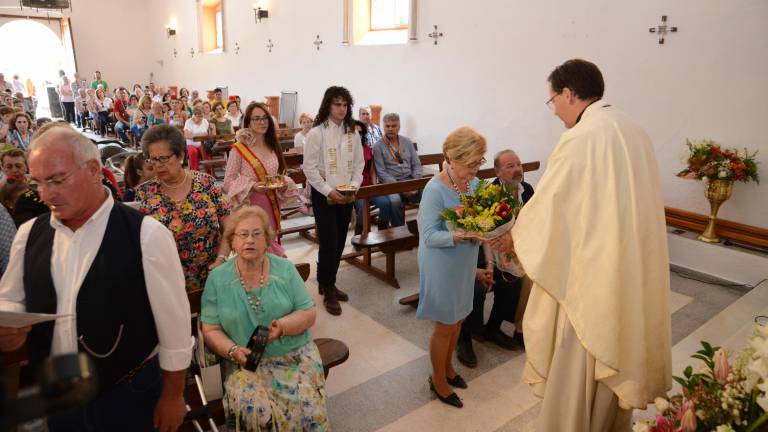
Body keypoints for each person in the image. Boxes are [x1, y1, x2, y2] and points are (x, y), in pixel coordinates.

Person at [491, 59, 671, 430]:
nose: (554, 109)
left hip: (592, 272)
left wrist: (515, 237)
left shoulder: (581, 137)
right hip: (628, 262)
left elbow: (551, 204)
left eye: (553, 100)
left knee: (585, 352)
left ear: (569, 94)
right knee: (620, 339)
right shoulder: (634, 130)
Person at [0, 122, 192, 431]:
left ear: (92, 169)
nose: (46, 193)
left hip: (128, 392)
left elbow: (175, 328)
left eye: (56, 180)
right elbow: (9, 299)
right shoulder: (29, 233)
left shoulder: (146, 235)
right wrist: (9, 327)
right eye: (37, 183)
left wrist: (172, 396)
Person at [201, 206, 329, 430]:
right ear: (232, 240)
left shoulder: (285, 269)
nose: (249, 240)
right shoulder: (217, 279)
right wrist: (232, 351)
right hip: (243, 363)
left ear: (267, 239)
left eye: (256, 234)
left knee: (306, 412)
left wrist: (282, 327)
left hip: (293, 355)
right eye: (243, 234)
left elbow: (308, 313)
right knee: (255, 413)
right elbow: (210, 329)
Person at [417, 126, 487, 409]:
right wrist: (461, 235)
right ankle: (438, 379)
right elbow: (429, 236)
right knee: (444, 325)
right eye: (470, 163)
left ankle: (448, 368)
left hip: (464, 261)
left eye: (479, 162)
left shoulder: (474, 184)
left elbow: (480, 219)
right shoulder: (434, 189)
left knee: (458, 320)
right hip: (441, 263)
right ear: (452, 158)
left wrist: (488, 228)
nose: (475, 169)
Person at [456, 149, 532, 368]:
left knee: (515, 281)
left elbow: (532, 221)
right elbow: (482, 230)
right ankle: (465, 338)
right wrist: (490, 261)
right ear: (498, 172)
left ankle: (494, 327)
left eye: (519, 164)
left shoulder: (526, 190)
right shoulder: (489, 192)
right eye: (510, 166)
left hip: (510, 249)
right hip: (481, 251)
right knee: (479, 287)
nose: (517, 169)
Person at [136, 124, 231, 292]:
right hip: (167, 283)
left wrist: (222, 259)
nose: (158, 165)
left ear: (180, 155)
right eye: (153, 159)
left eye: (164, 158)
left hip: (212, 274)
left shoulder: (206, 183)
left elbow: (229, 226)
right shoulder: (144, 194)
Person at [301, 86, 364, 316]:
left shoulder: (352, 133)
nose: (341, 108)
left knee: (339, 242)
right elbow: (309, 168)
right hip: (324, 193)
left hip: (346, 192)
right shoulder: (317, 133)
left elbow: (359, 165)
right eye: (337, 104)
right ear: (328, 105)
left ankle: (330, 281)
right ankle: (326, 287)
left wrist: (353, 187)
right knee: (328, 241)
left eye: (345, 104)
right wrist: (328, 191)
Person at [223, 102, 298, 257]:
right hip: (251, 207)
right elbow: (228, 182)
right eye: (256, 119)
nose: (262, 122)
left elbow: (277, 174)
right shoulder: (239, 149)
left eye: (265, 118)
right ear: (248, 122)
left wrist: (283, 184)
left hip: (271, 204)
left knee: (271, 246)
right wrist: (252, 186)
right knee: (258, 250)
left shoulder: (272, 145)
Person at [372, 112, 423, 227]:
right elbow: (381, 172)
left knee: (428, 193)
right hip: (391, 184)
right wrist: (400, 188)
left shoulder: (407, 142)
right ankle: (398, 233)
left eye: (394, 126)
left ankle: (425, 228)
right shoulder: (378, 146)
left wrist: (415, 183)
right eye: (387, 126)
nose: (390, 129)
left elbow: (416, 165)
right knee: (395, 201)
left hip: (411, 180)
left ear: (399, 127)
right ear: (383, 127)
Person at [352, 120, 399, 233]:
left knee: (386, 203)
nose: (358, 135)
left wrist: (374, 187)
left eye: (361, 132)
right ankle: (359, 234)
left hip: (369, 187)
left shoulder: (367, 149)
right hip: (356, 190)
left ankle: (382, 233)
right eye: (355, 132)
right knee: (364, 207)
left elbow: (372, 170)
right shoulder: (345, 151)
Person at [183, 106, 209, 171]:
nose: (200, 118)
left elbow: (207, 134)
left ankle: (209, 173)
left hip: (202, 144)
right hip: (191, 144)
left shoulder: (205, 121)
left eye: (201, 116)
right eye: (198, 116)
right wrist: (200, 135)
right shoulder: (188, 122)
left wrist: (194, 135)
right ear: (194, 115)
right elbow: (187, 135)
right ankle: (195, 172)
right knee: (193, 152)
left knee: (206, 151)